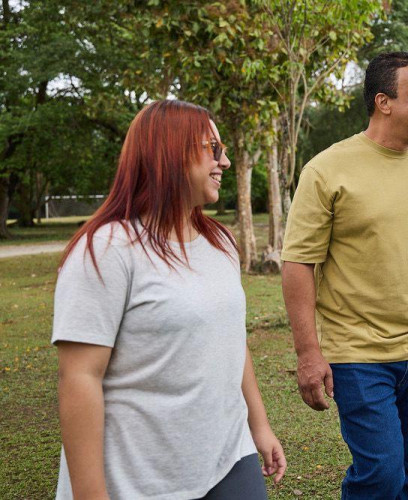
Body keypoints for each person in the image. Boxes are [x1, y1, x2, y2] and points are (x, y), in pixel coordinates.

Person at [53, 100, 286, 499]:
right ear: (171, 153)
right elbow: (79, 378)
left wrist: (258, 425)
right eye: (213, 148)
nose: (225, 162)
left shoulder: (221, 241)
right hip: (142, 478)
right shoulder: (107, 250)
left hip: (228, 457)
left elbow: (231, 339)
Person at [280, 51, 408, 499]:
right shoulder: (327, 169)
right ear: (384, 102)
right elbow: (298, 263)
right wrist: (308, 353)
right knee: (381, 473)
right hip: (358, 353)